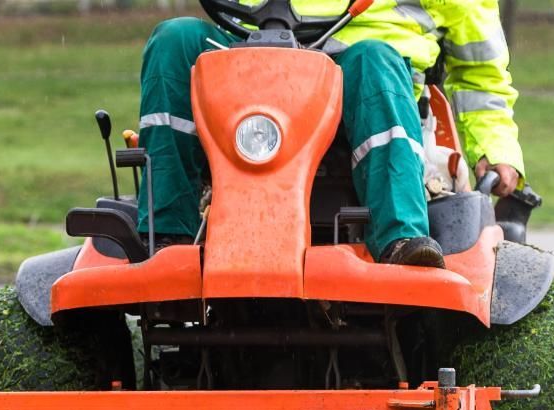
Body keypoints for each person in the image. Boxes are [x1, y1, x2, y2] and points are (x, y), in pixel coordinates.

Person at [136, 0, 524, 269]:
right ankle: (166, 234)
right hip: (256, 77)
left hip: (365, 84)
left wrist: (495, 147)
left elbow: (478, 72)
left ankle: (401, 240)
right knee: (174, 39)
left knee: (374, 59)